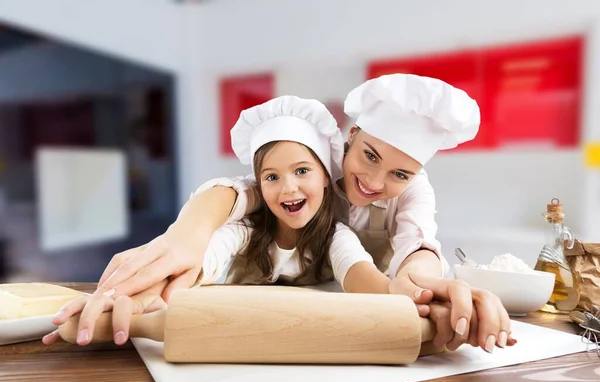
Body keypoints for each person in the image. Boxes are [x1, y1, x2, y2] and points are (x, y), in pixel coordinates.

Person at [91, 74, 513, 353]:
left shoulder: (408, 197)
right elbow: (241, 192)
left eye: (399, 173)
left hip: (355, 312)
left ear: (416, 173)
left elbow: (417, 246)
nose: (373, 180)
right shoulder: (316, 170)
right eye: (368, 155)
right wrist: (188, 235)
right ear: (350, 138)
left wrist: (421, 291)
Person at [43, 96, 389, 346]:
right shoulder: (245, 231)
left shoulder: (336, 236)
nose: (288, 188)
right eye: (271, 177)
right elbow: (197, 263)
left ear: (327, 177)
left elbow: (363, 277)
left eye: (302, 171)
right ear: (258, 184)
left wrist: (412, 296)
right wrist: (136, 296)